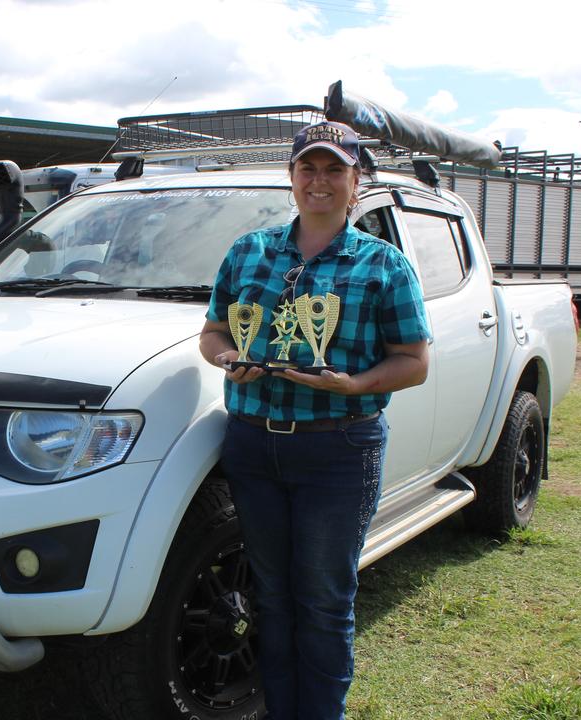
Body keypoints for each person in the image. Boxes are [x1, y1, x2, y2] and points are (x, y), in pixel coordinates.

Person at [199, 120, 432, 720]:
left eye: (335, 169)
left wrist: (352, 384)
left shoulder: (383, 265)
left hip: (339, 449)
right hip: (253, 446)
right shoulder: (248, 251)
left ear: (357, 181)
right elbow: (213, 332)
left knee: (325, 599)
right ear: (292, 177)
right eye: (309, 168)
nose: (320, 181)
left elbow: (413, 362)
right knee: (273, 596)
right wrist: (228, 357)